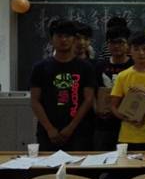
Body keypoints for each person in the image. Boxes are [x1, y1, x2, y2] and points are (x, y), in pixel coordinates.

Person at [30, 20, 96, 151]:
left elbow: (88, 99)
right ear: (51, 40)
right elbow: (34, 100)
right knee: (47, 164)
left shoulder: (85, 67)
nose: (63, 40)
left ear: (74, 39)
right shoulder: (40, 68)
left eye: (67, 36)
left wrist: (70, 128)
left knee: (79, 164)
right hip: (48, 133)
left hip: (79, 132)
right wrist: (49, 129)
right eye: (59, 36)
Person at [94, 26, 133, 151]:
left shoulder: (134, 66)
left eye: (120, 42)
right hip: (103, 124)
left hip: (128, 123)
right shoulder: (99, 66)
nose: (116, 46)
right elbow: (92, 93)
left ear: (127, 44)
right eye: (112, 42)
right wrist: (97, 109)